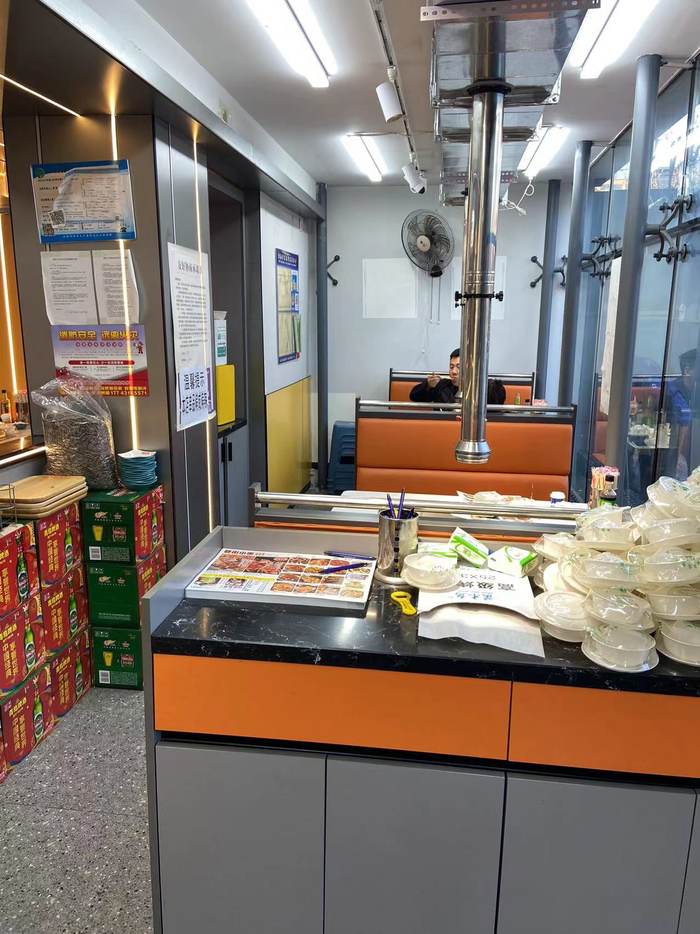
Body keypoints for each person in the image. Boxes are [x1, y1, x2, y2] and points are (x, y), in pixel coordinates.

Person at [409, 348, 506, 405]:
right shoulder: (442, 385)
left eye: (459, 367)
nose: (454, 372)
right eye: (451, 367)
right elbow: (414, 396)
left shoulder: (484, 387)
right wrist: (429, 386)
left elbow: (498, 400)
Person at [666, 348, 696, 478]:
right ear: (687, 371)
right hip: (670, 452)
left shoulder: (695, 391)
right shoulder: (672, 390)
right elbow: (686, 417)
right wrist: (678, 457)